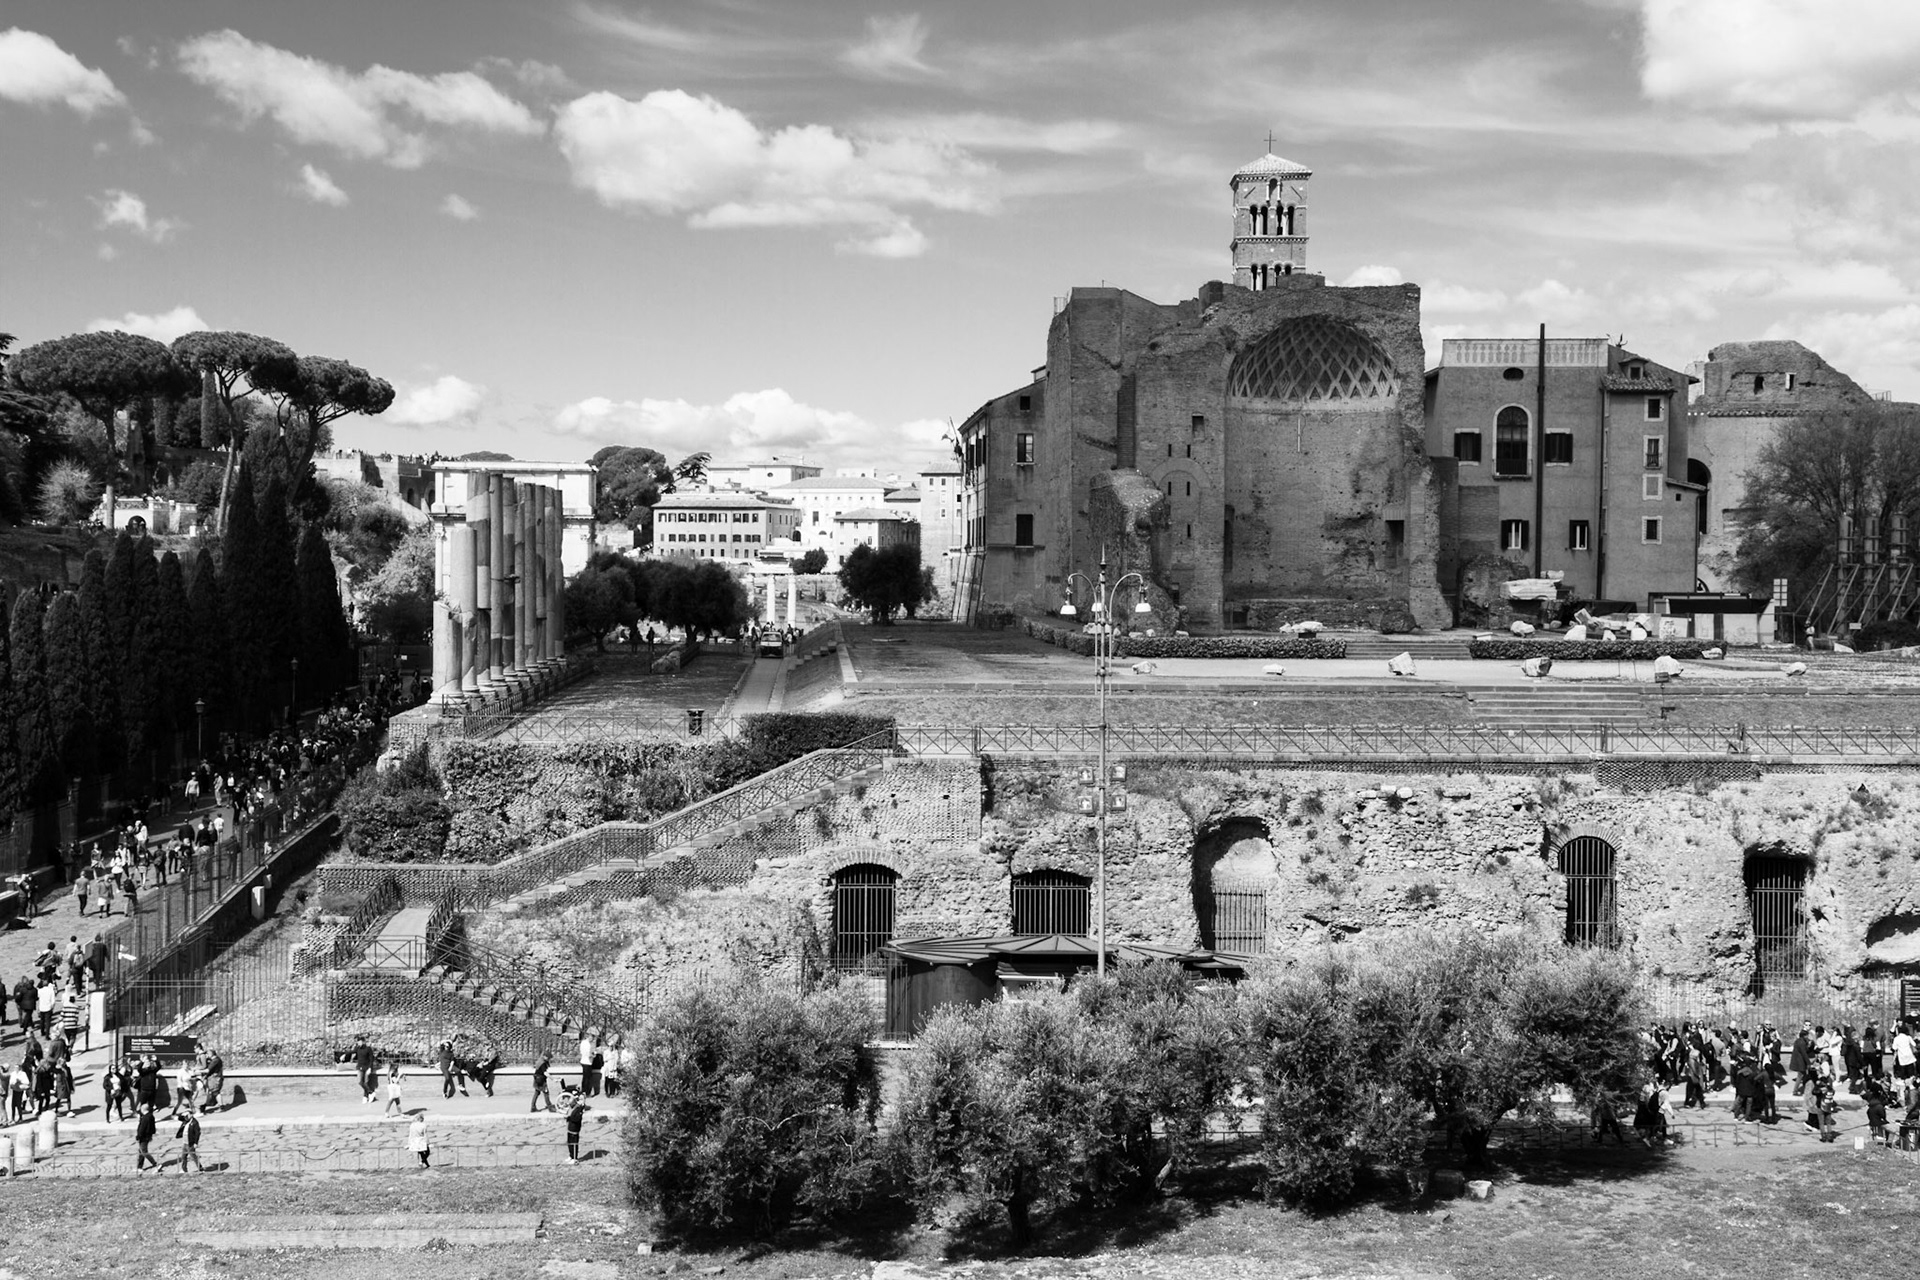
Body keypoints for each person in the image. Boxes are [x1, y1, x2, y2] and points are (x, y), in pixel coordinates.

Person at [173, 1106, 205, 1173]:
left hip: (190, 1143)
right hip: (185, 1142)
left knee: (193, 1156)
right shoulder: (185, 1120)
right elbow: (180, 1118)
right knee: (183, 1156)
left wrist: (196, 1143)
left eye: (187, 1115)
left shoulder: (195, 1123)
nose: (185, 1117)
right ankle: (184, 1169)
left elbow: (197, 1133)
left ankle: (200, 1168)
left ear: (190, 1115)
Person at [564, 1091, 589, 1164]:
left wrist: (569, 1117)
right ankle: (571, 1156)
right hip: (569, 1128)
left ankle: (575, 1158)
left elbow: (577, 1119)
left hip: (575, 1128)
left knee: (574, 1143)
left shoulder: (579, 1109)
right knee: (569, 1143)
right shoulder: (574, 1106)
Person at [134, 1102, 159, 1172]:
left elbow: (142, 1128)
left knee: (144, 1151)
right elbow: (153, 1128)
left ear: (143, 1109)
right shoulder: (151, 1116)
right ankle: (139, 1167)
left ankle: (155, 1164)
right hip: (148, 1136)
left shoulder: (145, 1118)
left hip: (144, 1137)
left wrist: (138, 1136)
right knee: (141, 1151)